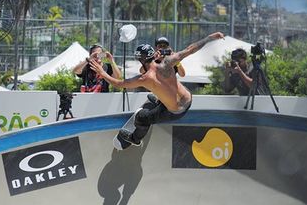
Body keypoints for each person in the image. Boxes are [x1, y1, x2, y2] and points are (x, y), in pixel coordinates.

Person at [90, 32, 225, 148]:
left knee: (141, 117)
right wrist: (210, 37)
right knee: (161, 91)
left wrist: (102, 72)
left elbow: (119, 83)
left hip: (175, 112)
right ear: (153, 55)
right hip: (188, 99)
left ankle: (135, 139)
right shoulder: (168, 62)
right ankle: (160, 101)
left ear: (140, 59)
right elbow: (190, 49)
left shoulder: (144, 78)